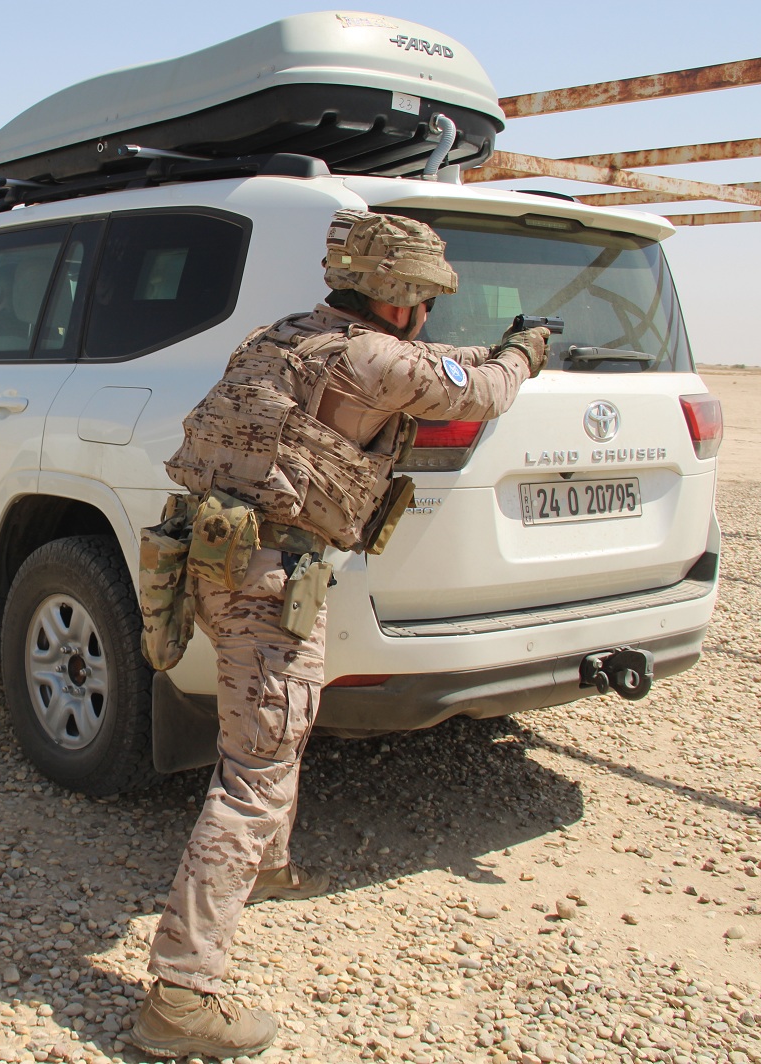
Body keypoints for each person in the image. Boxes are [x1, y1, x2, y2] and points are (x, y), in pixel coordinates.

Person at [129, 210, 552, 1059]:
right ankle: (180, 997)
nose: (427, 315)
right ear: (396, 298)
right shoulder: (375, 358)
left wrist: (490, 348)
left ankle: (267, 868)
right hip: (268, 580)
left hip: (217, 561)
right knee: (254, 771)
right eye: (424, 300)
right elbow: (481, 392)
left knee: (278, 729)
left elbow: (429, 365)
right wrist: (524, 352)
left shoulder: (282, 337)